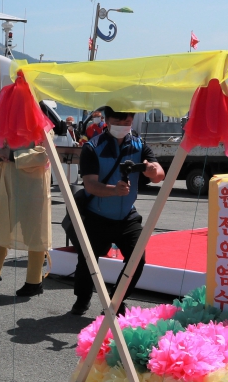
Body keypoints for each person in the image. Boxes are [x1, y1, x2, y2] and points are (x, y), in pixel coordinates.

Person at [70, 107, 166, 316]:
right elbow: (90, 185)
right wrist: (114, 190)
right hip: (97, 215)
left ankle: (116, 299)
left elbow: (160, 175)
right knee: (87, 261)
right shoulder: (92, 147)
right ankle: (82, 298)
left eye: (127, 122)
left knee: (137, 261)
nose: (123, 126)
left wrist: (153, 171)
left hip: (127, 216)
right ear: (106, 120)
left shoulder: (139, 143)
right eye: (118, 121)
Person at [0, 130, 52, 296]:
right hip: (8, 184)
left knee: (35, 233)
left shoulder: (41, 126)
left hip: (34, 187)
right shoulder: (3, 124)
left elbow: (45, 154)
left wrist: (13, 155)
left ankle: (34, 281)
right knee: (1, 228)